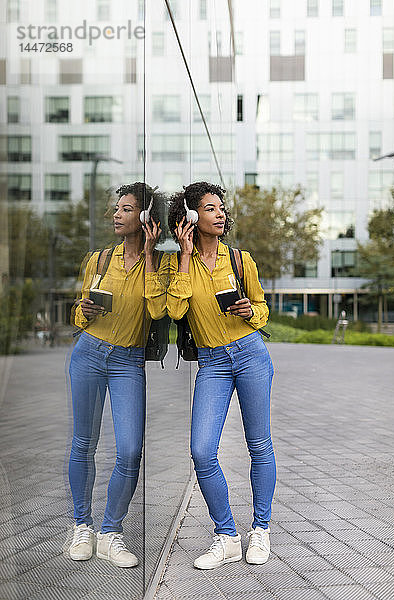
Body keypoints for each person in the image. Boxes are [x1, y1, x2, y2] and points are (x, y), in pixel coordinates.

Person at [167, 182, 276, 569]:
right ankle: (226, 535)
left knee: (259, 444)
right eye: (210, 209)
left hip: (250, 354)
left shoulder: (241, 259)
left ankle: (260, 530)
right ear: (191, 217)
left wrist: (251, 312)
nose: (220, 214)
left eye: (221, 208)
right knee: (201, 451)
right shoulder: (177, 264)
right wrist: (183, 256)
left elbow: (263, 308)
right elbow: (176, 312)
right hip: (211, 363)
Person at [67, 182, 167, 567]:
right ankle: (82, 526)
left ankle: (111, 532)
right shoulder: (97, 260)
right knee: (83, 443)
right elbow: (79, 309)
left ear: (145, 218)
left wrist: (148, 255)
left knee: (128, 450)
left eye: (126, 209)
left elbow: (158, 312)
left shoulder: (160, 264)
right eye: (116, 208)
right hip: (89, 353)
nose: (116, 215)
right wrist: (84, 311)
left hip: (129, 361)